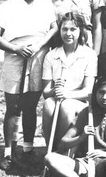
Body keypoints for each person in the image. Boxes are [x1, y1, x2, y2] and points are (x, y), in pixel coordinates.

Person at [0, 0, 58, 171]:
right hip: (15, 56)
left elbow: (54, 28)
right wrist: (16, 48)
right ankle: (9, 153)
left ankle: (28, 150)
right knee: (13, 107)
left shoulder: (45, 4)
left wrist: (39, 46)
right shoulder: (7, 6)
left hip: (38, 56)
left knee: (31, 106)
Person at [42, 12, 98, 151]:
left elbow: (88, 92)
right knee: (48, 105)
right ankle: (51, 147)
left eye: (73, 29)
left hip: (79, 101)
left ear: (80, 31)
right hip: (57, 98)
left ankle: (64, 150)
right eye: (64, 29)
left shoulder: (89, 55)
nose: (68, 33)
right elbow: (46, 92)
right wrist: (55, 90)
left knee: (67, 107)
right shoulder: (51, 55)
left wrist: (66, 94)